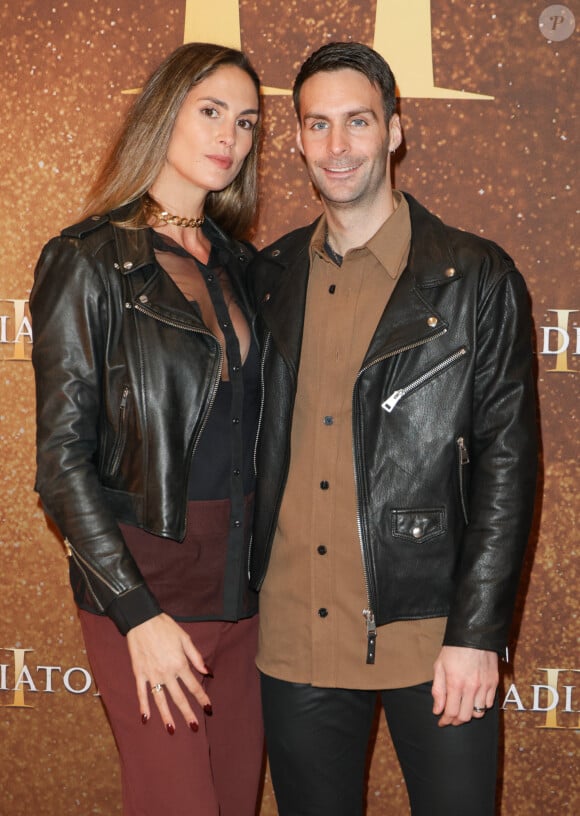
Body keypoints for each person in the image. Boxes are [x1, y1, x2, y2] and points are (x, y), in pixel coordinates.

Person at [249, 41, 538, 816]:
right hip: (294, 639)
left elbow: (509, 467)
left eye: (357, 122)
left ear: (397, 129)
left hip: (434, 639)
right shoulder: (267, 278)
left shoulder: (476, 276)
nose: (337, 147)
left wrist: (479, 633)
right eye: (318, 125)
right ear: (297, 140)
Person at [31, 42, 263, 816]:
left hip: (245, 596)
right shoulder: (88, 259)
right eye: (209, 111)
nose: (230, 134)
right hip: (148, 596)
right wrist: (137, 614)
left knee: (233, 802)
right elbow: (62, 462)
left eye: (247, 121)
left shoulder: (244, 267)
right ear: (162, 113)